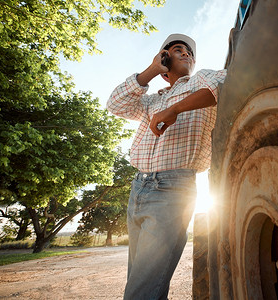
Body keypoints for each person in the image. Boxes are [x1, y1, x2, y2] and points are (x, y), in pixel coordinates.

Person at [107, 33, 226, 300]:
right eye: (177, 49)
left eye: (189, 52)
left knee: (141, 291)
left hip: (172, 190)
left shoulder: (201, 79)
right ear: (164, 58)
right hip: (138, 188)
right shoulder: (152, 100)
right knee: (141, 283)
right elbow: (115, 105)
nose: (186, 54)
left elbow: (223, 87)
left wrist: (175, 110)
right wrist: (151, 70)